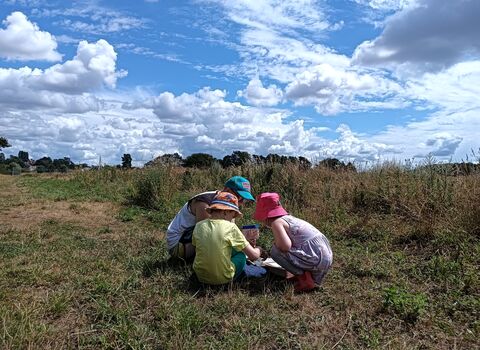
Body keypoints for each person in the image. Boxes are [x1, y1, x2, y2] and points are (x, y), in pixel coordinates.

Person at [253, 192, 333, 292]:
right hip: (325, 255)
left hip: (315, 257)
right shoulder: (290, 219)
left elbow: (285, 247)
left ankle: (304, 278)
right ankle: (307, 278)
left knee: (275, 251)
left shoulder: (276, 223)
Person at [167, 176, 255, 261]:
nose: (241, 203)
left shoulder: (227, 205)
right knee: (215, 235)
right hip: (178, 246)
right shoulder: (205, 203)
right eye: (240, 198)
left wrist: (244, 241)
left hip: (191, 240)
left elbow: (230, 229)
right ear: (228, 190)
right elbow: (207, 236)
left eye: (245, 200)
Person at [192, 192, 262, 285]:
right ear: (225, 212)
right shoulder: (231, 227)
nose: (232, 219)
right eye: (233, 215)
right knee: (241, 255)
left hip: (200, 276)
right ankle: (232, 279)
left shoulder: (199, 225)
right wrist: (259, 250)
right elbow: (254, 256)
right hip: (222, 278)